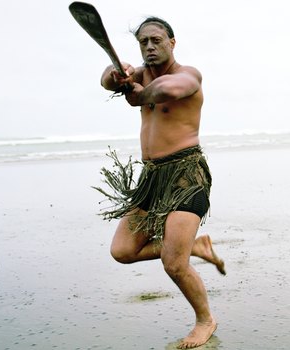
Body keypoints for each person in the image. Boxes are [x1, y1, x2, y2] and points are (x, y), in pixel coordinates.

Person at [96, 16, 224, 349]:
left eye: (156, 40)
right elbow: (106, 83)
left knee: (173, 263)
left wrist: (140, 94)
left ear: (171, 42)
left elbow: (168, 90)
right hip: (151, 179)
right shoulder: (137, 74)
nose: (150, 47)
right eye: (143, 42)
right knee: (122, 251)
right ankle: (195, 245)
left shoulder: (188, 74)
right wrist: (116, 75)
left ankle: (205, 320)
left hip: (186, 175)